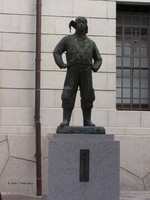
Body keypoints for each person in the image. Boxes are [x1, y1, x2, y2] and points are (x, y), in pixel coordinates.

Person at [53, 16, 102, 126]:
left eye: (83, 22)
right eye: (79, 22)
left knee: (88, 95)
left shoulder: (91, 43)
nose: (81, 24)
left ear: (86, 25)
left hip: (86, 72)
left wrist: (95, 67)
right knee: (68, 93)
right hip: (72, 71)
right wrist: (62, 64)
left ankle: (87, 120)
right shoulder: (67, 39)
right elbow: (56, 51)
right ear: (75, 25)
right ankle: (66, 120)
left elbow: (98, 58)